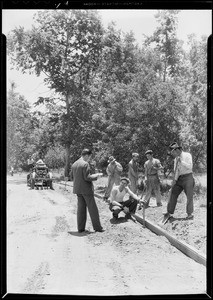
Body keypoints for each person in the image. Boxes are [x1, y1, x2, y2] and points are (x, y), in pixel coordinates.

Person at [70, 148, 105, 233]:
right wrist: (97, 175)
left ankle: (80, 228)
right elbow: (87, 177)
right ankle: (98, 228)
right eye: (89, 157)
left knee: (81, 209)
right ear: (86, 155)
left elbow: (71, 177)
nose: (89, 159)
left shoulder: (74, 164)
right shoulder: (85, 164)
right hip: (86, 190)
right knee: (93, 209)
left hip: (78, 190)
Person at [164, 142, 195, 220]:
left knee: (189, 196)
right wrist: (174, 180)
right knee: (173, 192)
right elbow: (176, 171)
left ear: (177, 150)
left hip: (188, 177)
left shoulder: (187, 155)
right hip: (179, 179)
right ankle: (169, 212)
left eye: (173, 152)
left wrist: (181, 161)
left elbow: (190, 166)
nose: (173, 154)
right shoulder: (175, 159)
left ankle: (189, 214)